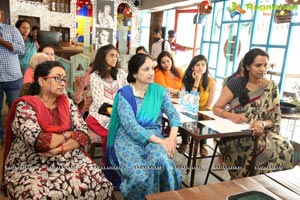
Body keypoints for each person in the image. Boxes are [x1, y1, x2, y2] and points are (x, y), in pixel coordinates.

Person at [3, 61, 113, 199]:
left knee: (101, 183)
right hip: (31, 162)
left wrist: (59, 149)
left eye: (64, 79)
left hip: (69, 158)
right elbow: (41, 142)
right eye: (57, 78)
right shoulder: (26, 106)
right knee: (37, 194)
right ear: (41, 81)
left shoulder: (67, 103)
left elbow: (83, 135)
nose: (62, 83)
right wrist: (69, 134)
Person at [106, 53, 182, 200]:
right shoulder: (124, 95)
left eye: (152, 68)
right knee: (139, 175)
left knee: (163, 163)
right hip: (128, 140)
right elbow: (132, 128)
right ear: (134, 73)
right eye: (146, 69)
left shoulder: (159, 92)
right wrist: (162, 142)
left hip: (154, 139)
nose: (151, 73)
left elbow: (173, 115)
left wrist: (172, 138)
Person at [213, 48, 294, 179]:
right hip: (237, 135)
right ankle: (248, 184)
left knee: (286, 147)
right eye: (258, 65)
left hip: (263, 132)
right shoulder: (236, 84)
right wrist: (232, 116)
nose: (263, 69)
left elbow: (274, 118)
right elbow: (216, 108)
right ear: (247, 66)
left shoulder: (271, 86)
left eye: (265, 65)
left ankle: (269, 186)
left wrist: (261, 123)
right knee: (257, 148)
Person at [85, 44, 127, 166]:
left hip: (119, 114)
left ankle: (123, 166)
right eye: (112, 55)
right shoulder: (95, 76)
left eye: (116, 56)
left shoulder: (121, 74)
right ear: (103, 57)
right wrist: (119, 109)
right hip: (100, 116)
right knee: (114, 136)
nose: (115, 59)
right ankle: (110, 167)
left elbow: (128, 93)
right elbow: (99, 102)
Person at [180, 55, 216, 157]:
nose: (201, 67)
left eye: (203, 65)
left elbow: (209, 105)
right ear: (192, 68)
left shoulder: (211, 82)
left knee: (203, 120)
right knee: (182, 117)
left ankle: (203, 144)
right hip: (189, 110)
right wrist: (196, 81)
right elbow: (188, 102)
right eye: (197, 65)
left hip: (204, 111)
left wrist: (202, 114)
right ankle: (185, 140)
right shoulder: (187, 79)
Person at [0, 18, 25, 148]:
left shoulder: (11, 30)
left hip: (13, 78)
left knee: (15, 110)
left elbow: (21, 49)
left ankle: (14, 138)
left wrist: (2, 42)